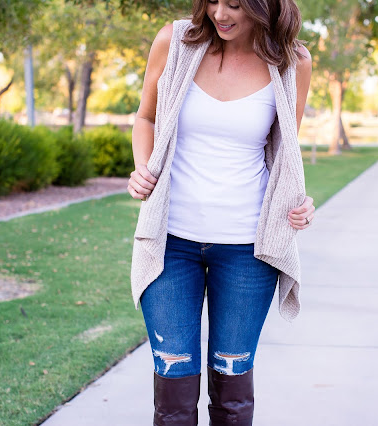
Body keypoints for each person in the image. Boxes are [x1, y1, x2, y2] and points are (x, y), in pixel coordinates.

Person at [127, 0, 313, 424]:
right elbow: (146, 118)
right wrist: (143, 167)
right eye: (212, 0)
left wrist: (300, 201)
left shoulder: (292, 61)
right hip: (170, 243)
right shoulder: (175, 41)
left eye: (234, 4)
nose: (219, 12)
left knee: (233, 395)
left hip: (248, 250)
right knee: (172, 396)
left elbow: (285, 152)